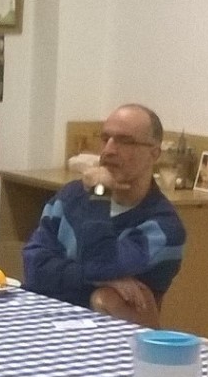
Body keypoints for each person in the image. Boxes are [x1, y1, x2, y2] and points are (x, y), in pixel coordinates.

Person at [21, 103, 185, 321]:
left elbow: (100, 263)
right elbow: (34, 267)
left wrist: (100, 194)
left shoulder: (164, 227)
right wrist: (96, 278)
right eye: (105, 138)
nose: (108, 150)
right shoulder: (70, 196)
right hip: (41, 317)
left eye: (125, 141)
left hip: (99, 333)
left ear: (154, 153)